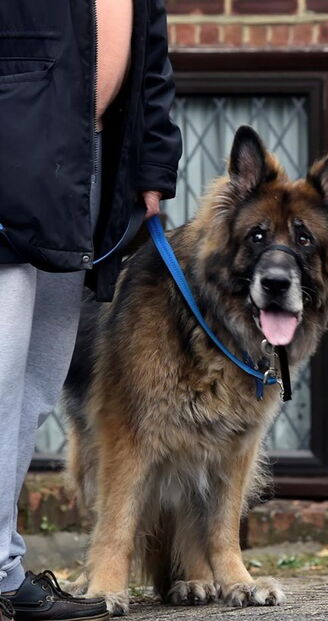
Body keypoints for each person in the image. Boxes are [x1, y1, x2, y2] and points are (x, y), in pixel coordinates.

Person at [0, 1, 182, 619]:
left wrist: (152, 168)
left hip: (90, 167)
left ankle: (1, 568)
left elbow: (149, 58)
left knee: (35, 384)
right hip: (13, 155)